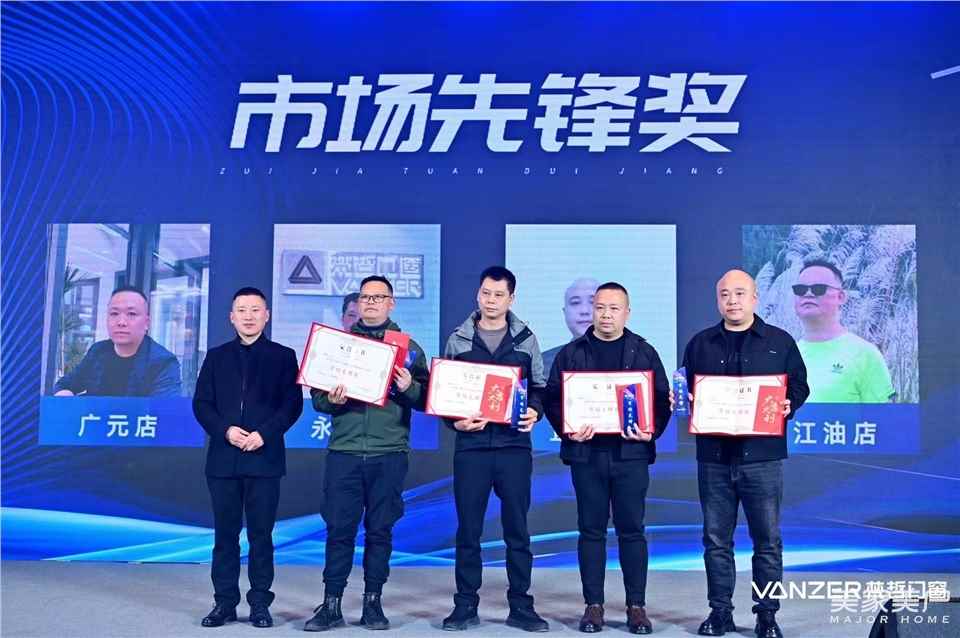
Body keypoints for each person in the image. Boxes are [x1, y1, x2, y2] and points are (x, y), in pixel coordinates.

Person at [679, 270, 809, 638]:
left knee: (767, 542)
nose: (732, 300)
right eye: (724, 294)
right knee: (716, 541)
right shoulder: (700, 344)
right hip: (714, 458)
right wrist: (684, 399)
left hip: (763, 457)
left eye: (739, 293)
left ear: (755, 298)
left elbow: (799, 385)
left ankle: (767, 616)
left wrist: (789, 402)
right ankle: (720, 612)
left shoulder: (780, 341)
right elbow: (686, 390)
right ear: (717, 300)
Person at [544, 282, 670, 635]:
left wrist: (650, 430)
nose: (605, 314)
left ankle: (636, 606)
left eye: (614, 308)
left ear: (627, 312)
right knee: (591, 530)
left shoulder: (644, 352)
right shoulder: (571, 353)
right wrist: (569, 429)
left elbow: (661, 400)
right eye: (600, 307)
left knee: (632, 530)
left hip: (630, 455)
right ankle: (593, 606)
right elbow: (553, 399)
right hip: (587, 455)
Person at [305, 275, 430, 632]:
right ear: (357, 303)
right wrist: (333, 399)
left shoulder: (409, 348)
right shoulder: (338, 345)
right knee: (339, 530)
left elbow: (427, 398)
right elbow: (318, 400)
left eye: (379, 297)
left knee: (380, 530)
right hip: (344, 451)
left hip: (388, 452)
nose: (371, 302)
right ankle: (331, 604)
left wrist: (409, 387)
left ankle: (373, 603)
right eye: (365, 297)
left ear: (391, 303)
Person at [440, 266, 549, 633]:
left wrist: (535, 410)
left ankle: (521, 605)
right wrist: (454, 422)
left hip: (514, 446)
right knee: (468, 530)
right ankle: (464, 605)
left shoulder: (525, 339)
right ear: (478, 294)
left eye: (499, 295)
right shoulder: (458, 339)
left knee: (517, 529)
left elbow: (540, 387)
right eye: (485, 293)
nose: (491, 300)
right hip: (471, 447)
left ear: (511, 299)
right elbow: (444, 392)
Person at [192, 287, 304, 628]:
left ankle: (259, 604)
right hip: (223, 460)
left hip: (264, 458)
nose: (249, 316)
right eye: (242, 309)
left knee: (261, 536)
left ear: (266, 315)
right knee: (225, 537)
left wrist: (264, 434)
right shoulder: (216, 357)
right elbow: (202, 404)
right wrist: (226, 431)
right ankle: (224, 603)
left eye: (256, 309)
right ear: (232, 316)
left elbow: (292, 405)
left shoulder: (283, 356)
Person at [793, 259, 895, 403]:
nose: (808, 294)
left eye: (818, 288)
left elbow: (883, 414)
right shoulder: (786, 355)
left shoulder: (865, 354)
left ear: (840, 297)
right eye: (800, 289)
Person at [53, 285, 181, 397]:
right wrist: (64, 394)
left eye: (131, 314)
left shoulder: (163, 362)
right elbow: (65, 384)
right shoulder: (98, 351)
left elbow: (163, 410)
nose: (121, 322)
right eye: (114, 314)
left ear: (147, 323)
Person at [540, 278, 599, 377]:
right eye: (575, 302)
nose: (584, 311)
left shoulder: (623, 356)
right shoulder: (543, 363)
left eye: (593, 302)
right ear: (565, 312)